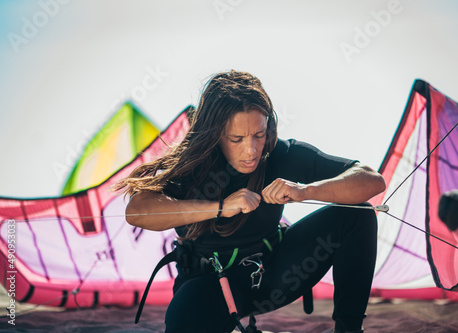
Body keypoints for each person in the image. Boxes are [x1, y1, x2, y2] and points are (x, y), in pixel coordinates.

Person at [114, 70, 386, 333]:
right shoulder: (192, 164)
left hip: (275, 274)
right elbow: (137, 212)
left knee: (358, 214)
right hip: (211, 286)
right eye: (237, 139)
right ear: (215, 133)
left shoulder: (279, 152)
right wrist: (221, 207)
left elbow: (371, 180)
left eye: (259, 134)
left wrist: (305, 191)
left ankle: (350, 329)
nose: (251, 150)